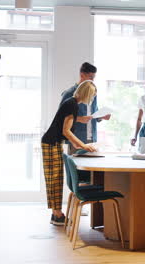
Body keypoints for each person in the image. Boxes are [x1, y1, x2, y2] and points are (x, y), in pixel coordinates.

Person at [41, 81, 97, 226]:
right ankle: (57, 214)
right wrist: (83, 145)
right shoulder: (72, 104)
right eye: (91, 96)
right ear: (86, 94)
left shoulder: (71, 102)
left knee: (56, 178)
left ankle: (56, 214)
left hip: (52, 142)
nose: (91, 99)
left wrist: (78, 144)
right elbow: (66, 130)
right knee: (55, 178)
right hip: (51, 142)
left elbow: (65, 126)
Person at [60, 62, 111, 152]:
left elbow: (94, 113)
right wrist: (80, 119)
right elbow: (61, 117)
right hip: (76, 141)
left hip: (92, 139)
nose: (92, 81)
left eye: (94, 78)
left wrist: (101, 116)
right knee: (76, 166)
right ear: (82, 75)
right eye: (90, 77)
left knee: (93, 166)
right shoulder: (69, 94)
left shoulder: (92, 91)